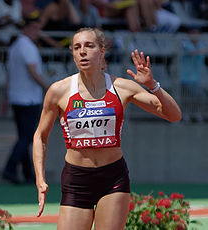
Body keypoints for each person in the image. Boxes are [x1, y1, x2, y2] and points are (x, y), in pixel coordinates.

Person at [33, 27, 182, 229]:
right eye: (77, 47)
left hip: (113, 178)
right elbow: (40, 136)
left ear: (102, 51)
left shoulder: (122, 87)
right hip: (77, 178)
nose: (82, 51)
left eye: (89, 46)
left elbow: (174, 115)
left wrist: (152, 85)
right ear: (73, 55)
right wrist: (40, 179)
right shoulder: (59, 91)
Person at [2, 17, 49, 184]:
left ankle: (28, 174)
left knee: (24, 136)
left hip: (17, 97)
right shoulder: (27, 47)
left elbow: (9, 74)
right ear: (26, 29)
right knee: (27, 137)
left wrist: (6, 97)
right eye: (34, 28)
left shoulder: (15, 47)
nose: (37, 32)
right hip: (28, 98)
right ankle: (10, 168)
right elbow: (33, 71)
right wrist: (48, 88)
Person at [180, 27, 208, 123]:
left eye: (197, 33)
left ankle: (195, 114)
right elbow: (192, 53)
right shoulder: (185, 44)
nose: (195, 35)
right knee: (189, 98)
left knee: (197, 97)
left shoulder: (201, 45)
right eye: (193, 33)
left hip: (195, 79)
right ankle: (186, 115)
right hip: (184, 78)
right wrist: (203, 51)